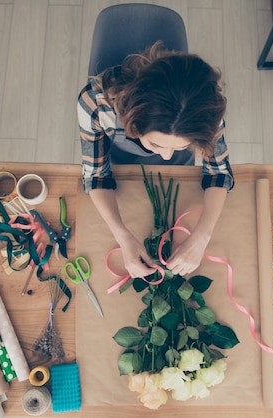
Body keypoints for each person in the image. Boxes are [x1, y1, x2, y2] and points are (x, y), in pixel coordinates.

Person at [77, 42, 234, 279]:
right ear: (133, 122)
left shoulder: (204, 111)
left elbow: (219, 173)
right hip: (119, 160)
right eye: (156, 144)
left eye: (182, 147)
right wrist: (122, 236)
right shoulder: (95, 104)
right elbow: (96, 175)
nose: (168, 157)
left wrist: (202, 235)